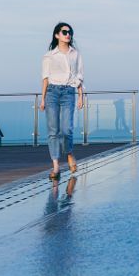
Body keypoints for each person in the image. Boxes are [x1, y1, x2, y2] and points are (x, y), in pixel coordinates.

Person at [40, 22, 85, 179]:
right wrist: (42, 99)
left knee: (67, 129)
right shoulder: (49, 56)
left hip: (68, 92)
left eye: (70, 32)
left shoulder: (75, 54)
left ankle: (69, 153)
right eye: (64, 32)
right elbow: (45, 78)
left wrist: (80, 96)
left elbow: (79, 76)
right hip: (52, 92)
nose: (68, 35)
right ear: (57, 35)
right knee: (53, 130)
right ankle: (56, 166)